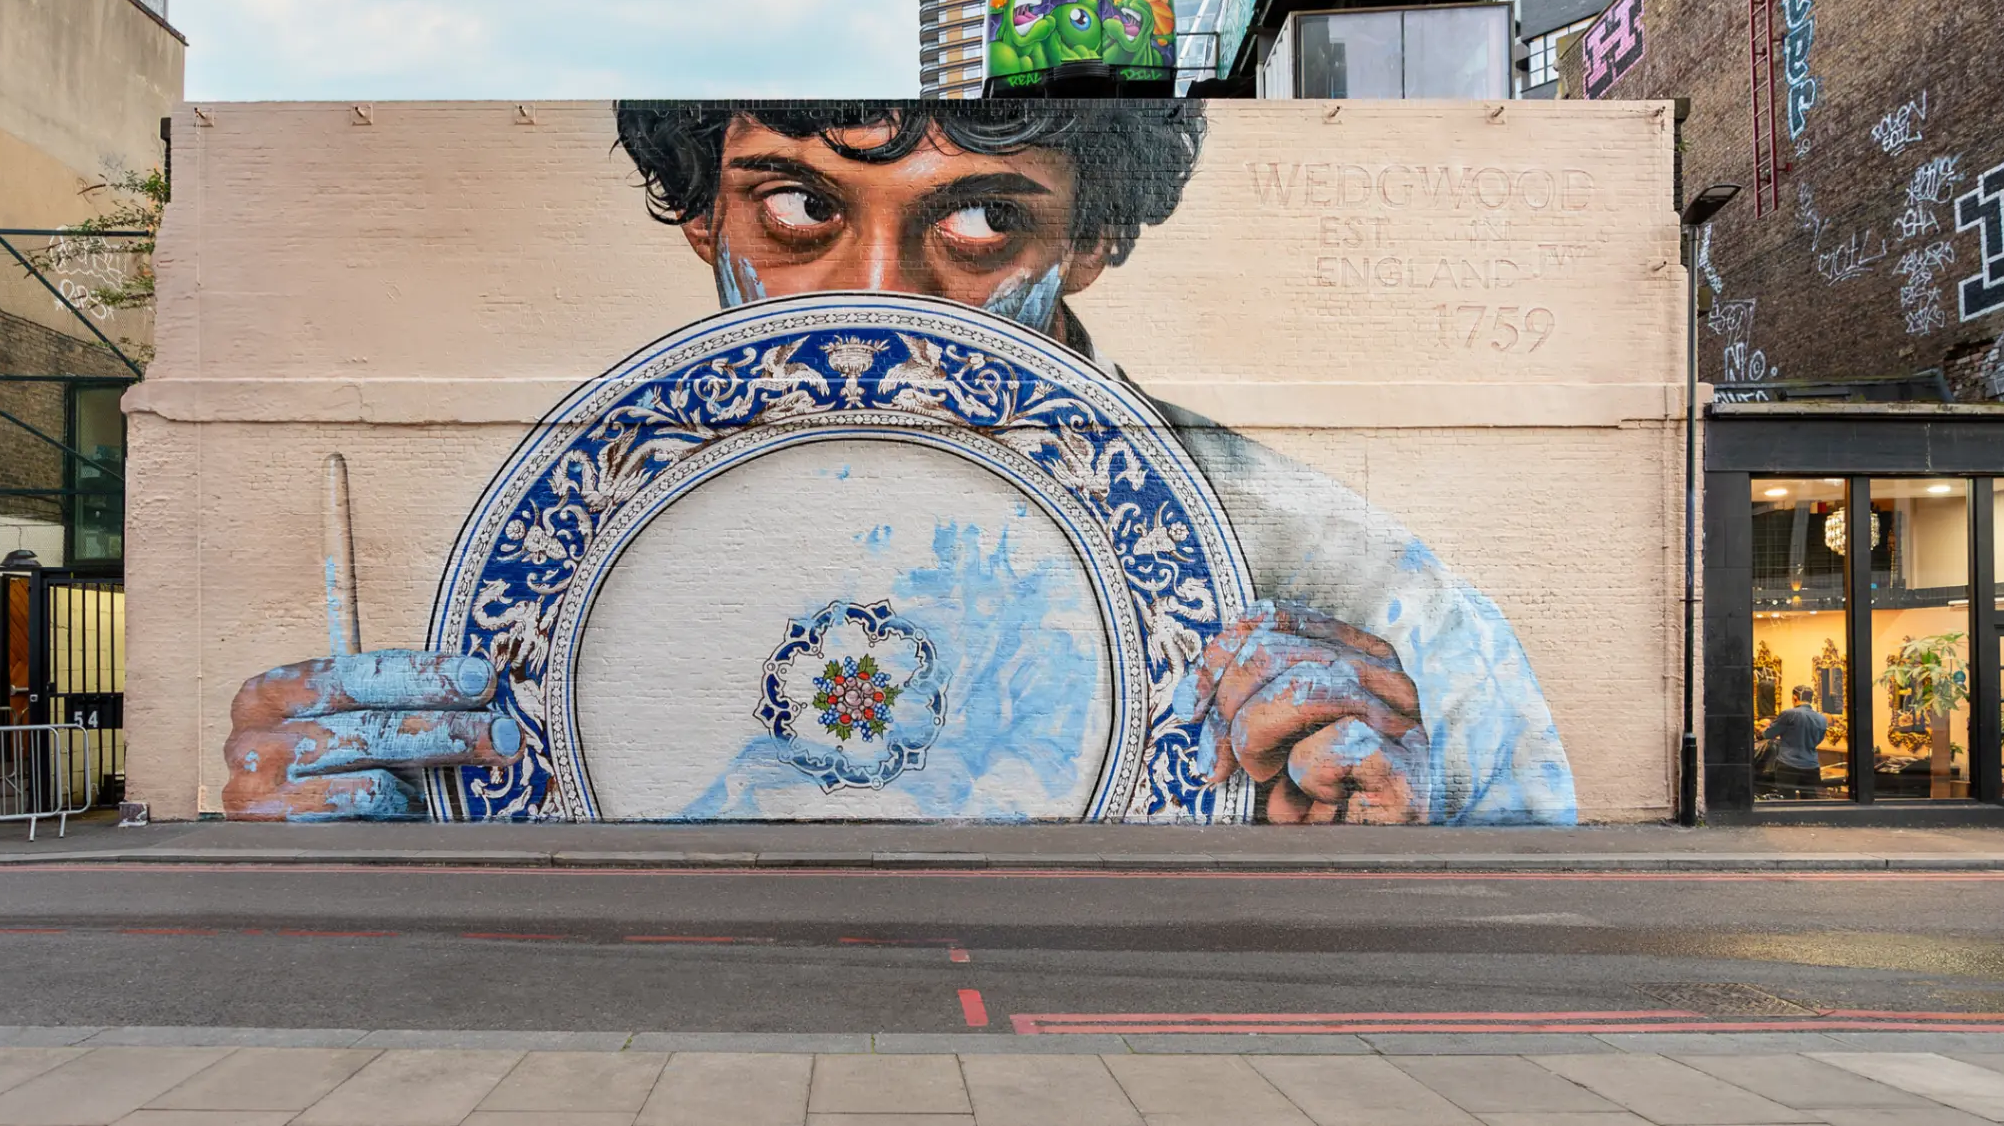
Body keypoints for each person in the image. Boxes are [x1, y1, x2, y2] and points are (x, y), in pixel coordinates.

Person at [223, 100, 1576, 826]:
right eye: (801, 206)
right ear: (704, 217)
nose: (883, 301)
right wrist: (352, 837)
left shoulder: (1378, 608)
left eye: (983, 219)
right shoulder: (550, 558)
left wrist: (1403, 845)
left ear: (1093, 238)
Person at [1760, 684, 1830, 799]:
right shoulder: (1822, 718)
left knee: (1786, 801)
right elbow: (1818, 740)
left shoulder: (1789, 714)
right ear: (1811, 699)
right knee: (1810, 803)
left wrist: (1760, 732)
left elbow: (1768, 734)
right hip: (1811, 766)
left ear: (1795, 698)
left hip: (1788, 764)